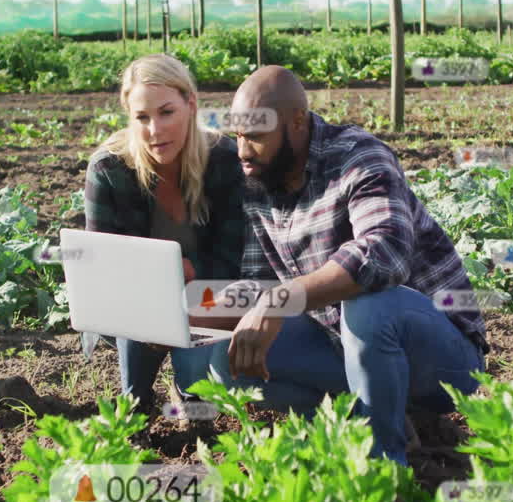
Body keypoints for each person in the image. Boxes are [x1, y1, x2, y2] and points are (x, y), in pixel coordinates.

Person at [198, 65, 491, 466]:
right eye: (237, 136)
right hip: (344, 348)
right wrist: (186, 315)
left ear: (297, 122)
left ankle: (384, 468)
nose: (243, 151)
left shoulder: (357, 156)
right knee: (230, 360)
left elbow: (384, 253)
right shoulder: (259, 179)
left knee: (369, 305)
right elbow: (257, 284)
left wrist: (281, 299)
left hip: (441, 361)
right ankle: (377, 422)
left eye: (256, 136)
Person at [83, 54, 244, 410]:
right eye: (142, 117)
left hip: (207, 296)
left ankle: (191, 396)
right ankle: (135, 406)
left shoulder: (224, 160)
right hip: (134, 306)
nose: (155, 130)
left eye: (166, 112)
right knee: (140, 308)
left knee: (197, 378)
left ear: (191, 105)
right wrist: (158, 285)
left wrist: (188, 271)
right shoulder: (109, 169)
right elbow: (101, 268)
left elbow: (235, 259)